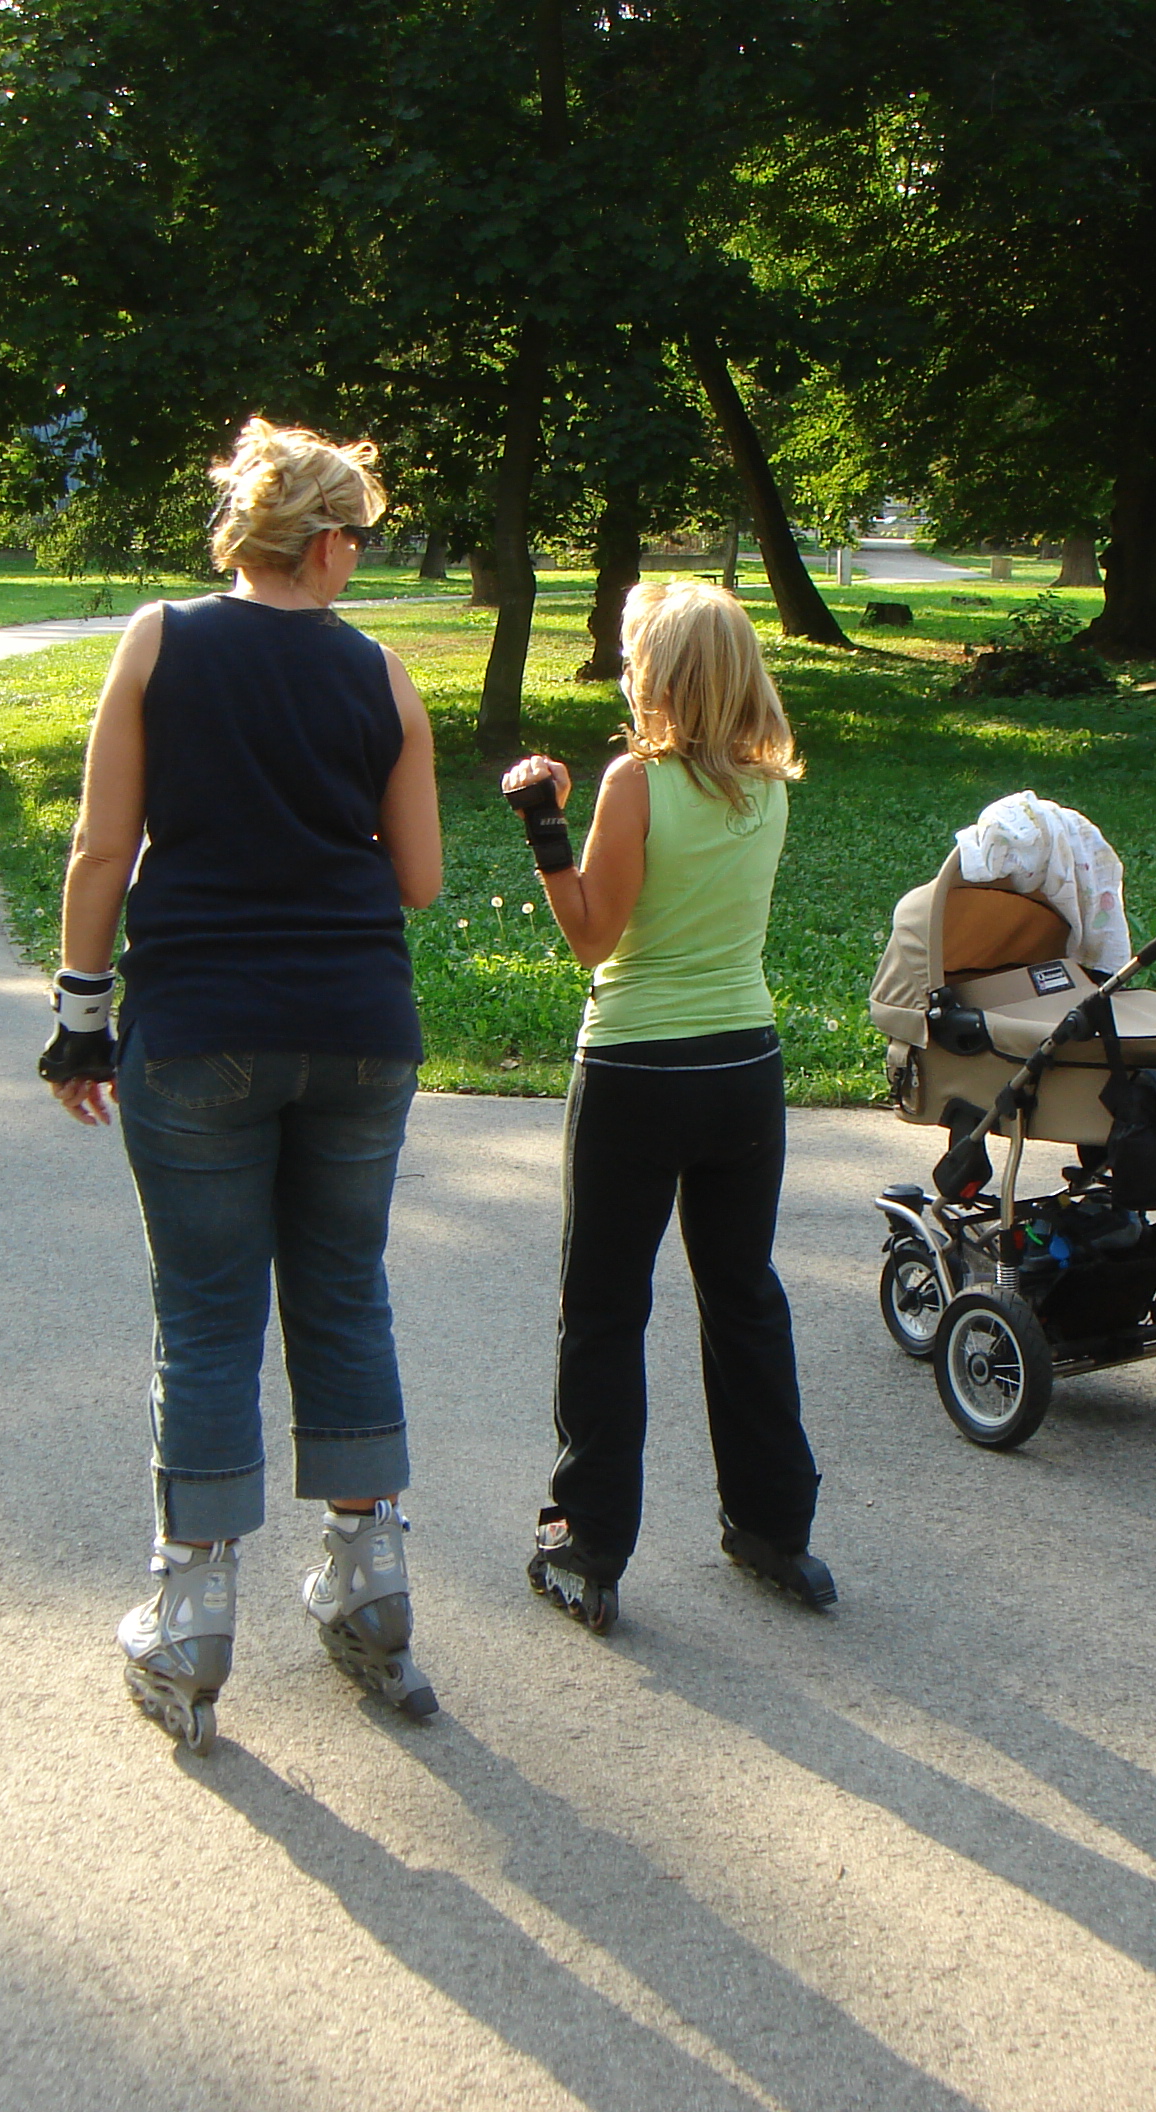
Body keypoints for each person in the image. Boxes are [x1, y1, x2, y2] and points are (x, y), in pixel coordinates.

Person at [37, 417, 443, 1752]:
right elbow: (421, 879)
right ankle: (371, 1582)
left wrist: (81, 1016)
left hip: (201, 1021)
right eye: (360, 540)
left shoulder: (158, 639)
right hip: (360, 1026)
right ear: (324, 543)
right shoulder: (383, 677)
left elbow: (105, 847)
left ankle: (193, 1616)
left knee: (208, 1312)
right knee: (343, 1288)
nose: (359, 562)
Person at [498, 579, 834, 1633]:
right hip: (744, 1065)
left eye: (637, 652)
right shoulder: (767, 785)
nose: (627, 666)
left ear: (666, 677)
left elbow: (592, 935)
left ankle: (588, 1543)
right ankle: (775, 1528)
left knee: (603, 1307)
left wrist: (541, 822)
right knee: (741, 1296)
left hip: (637, 1071)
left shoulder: (634, 783)